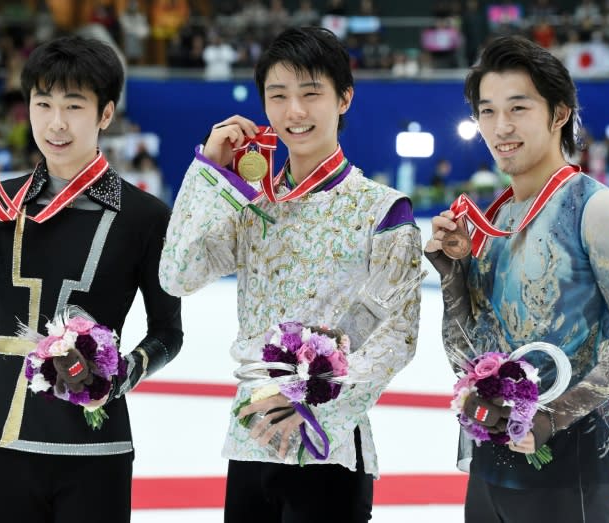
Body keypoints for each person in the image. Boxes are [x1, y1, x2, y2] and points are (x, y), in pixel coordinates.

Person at [0, 36, 183, 523]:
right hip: (7, 438)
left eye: (74, 106)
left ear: (104, 114)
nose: (56, 123)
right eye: (43, 104)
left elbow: (168, 332)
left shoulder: (146, 217)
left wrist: (123, 374)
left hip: (97, 447)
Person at [159, 27, 422, 523]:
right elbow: (177, 275)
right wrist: (210, 172)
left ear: (344, 98)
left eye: (311, 93)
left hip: (329, 445)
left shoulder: (382, 210)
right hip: (249, 437)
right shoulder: (252, 206)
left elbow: (397, 336)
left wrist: (310, 407)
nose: (294, 111)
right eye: (278, 96)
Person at [424, 35, 609, 522]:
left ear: (559, 114)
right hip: (490, 451)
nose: (500, 127)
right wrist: (452, 276)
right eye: (486, 111)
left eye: (517, 108)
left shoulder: (597, 209)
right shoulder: (493, 219)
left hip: (569, 458)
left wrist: (554, 417)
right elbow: (466, 357)